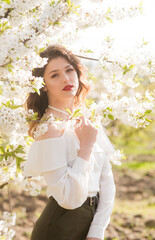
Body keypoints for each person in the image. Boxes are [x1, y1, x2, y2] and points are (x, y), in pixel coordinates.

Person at [23, 45, 116, 240]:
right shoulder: (48, 129)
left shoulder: (86, 119)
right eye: (55, 75)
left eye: (69, 70)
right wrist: (86, 148)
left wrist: (97, 231)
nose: (66, 78)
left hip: (92, 223)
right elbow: (69, 199)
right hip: (59, 227)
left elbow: (106, 178)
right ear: (44, 84)